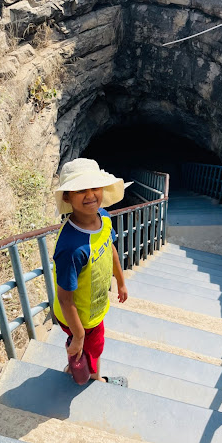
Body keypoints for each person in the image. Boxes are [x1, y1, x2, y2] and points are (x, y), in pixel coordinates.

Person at [52, 158, 129, 386]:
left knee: (84, 348)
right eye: (80, 190)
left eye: (95, 187)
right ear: (67, 197)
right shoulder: (71, 247)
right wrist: (78, 334)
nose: (90, 195)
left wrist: (121, 281)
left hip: (91, 308)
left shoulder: (103, 218)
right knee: (93, 349)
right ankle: (95, 380)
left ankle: (74, 366)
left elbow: (111, 248)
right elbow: (65, 299)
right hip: (83, 317)